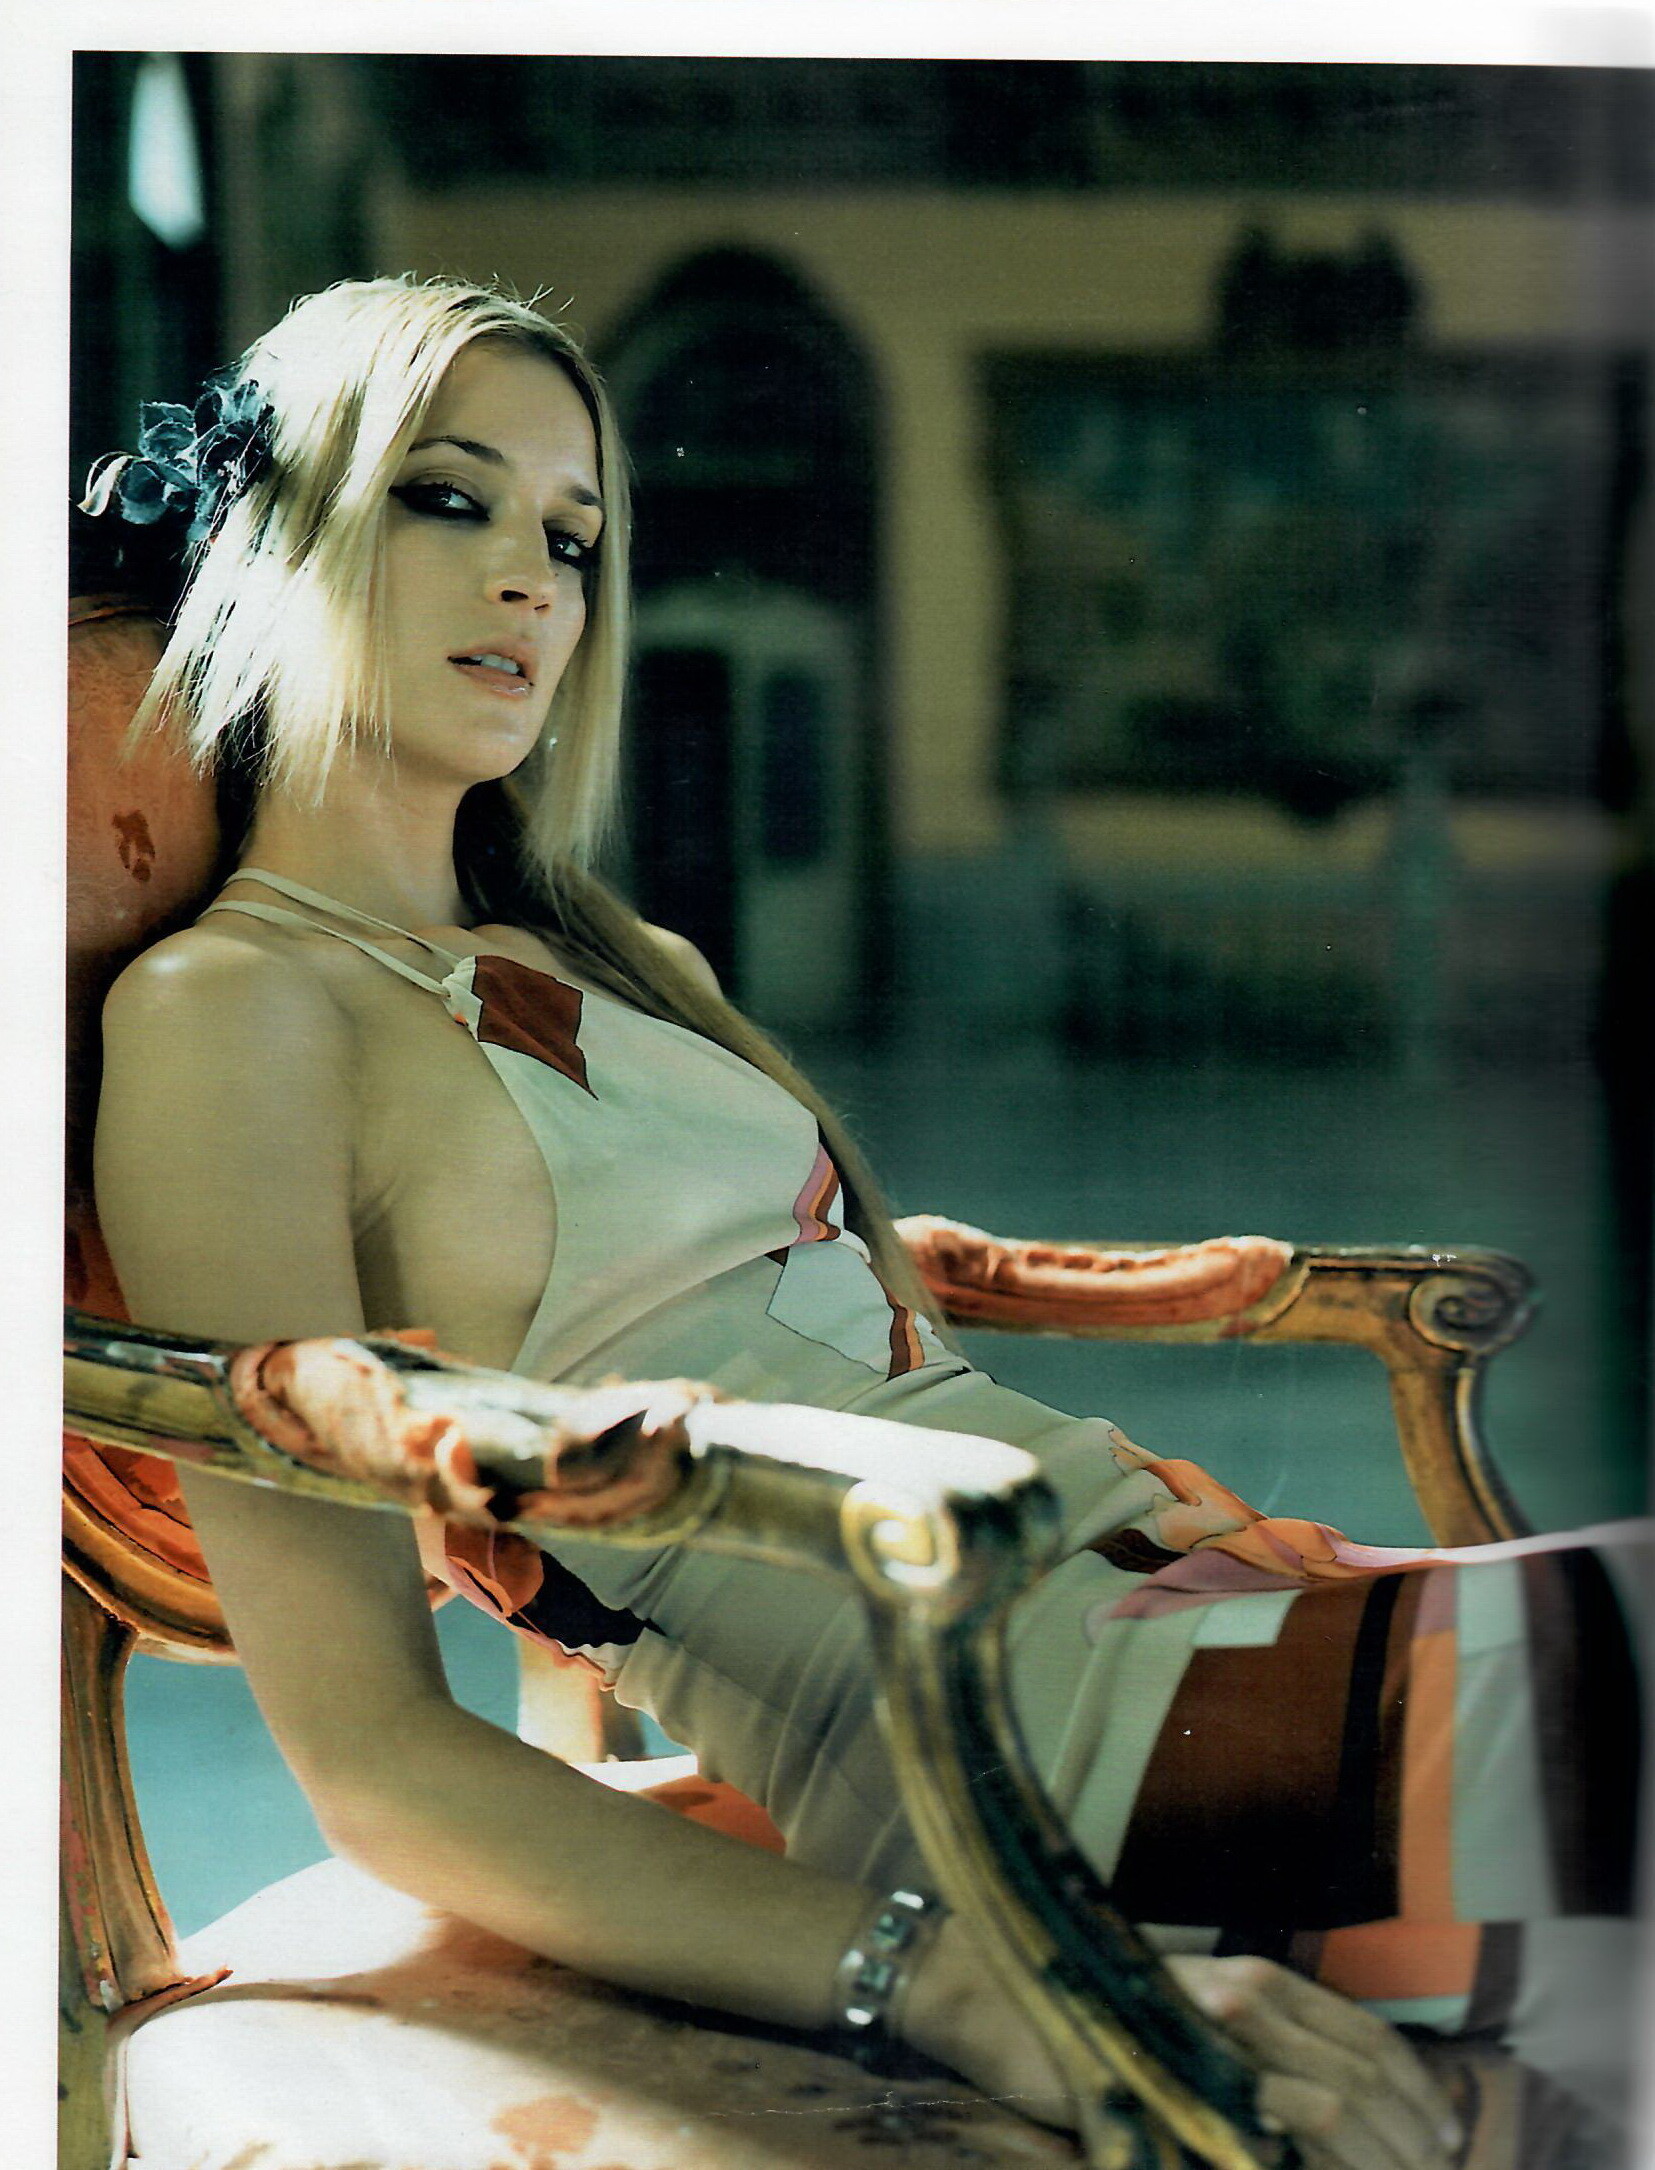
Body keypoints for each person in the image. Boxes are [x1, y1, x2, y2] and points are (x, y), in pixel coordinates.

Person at [85, 275, 1644, 2170]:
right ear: (280, 529)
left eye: (571, 535)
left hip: (1212, 1606)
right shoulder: (230, 1018)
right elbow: (373, 1755)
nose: (530, 582)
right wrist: (970, 1982)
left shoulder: (629, 959)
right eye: (448, 497)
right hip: (1036, 1749)